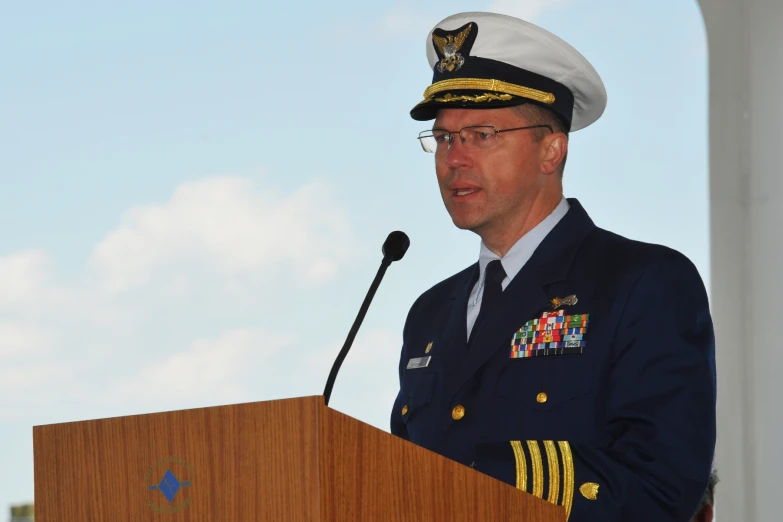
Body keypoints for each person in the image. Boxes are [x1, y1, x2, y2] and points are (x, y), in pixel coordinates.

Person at [390, 11, 716, 522]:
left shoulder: (642, 282)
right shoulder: (430, 314)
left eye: (482, 133)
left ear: (551, 149)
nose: (454, 158)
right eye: (445, 138)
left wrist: (475, 479)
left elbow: (662, 483)